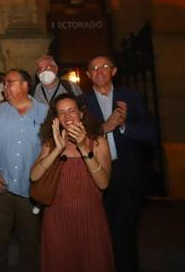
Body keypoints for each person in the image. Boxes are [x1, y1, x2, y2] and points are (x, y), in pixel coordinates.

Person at [83, 55, 156, 272]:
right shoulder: (82, 103)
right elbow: (76, 139)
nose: (100, 71)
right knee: (96, 235)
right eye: (94, 68)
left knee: (126, 236)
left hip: (126, 176)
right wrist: (103, 128)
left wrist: (124, 126)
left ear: (114, 71)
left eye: (104, 66)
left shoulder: (132, 98)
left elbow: (151, 133)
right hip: (94, 176)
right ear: (88, 75)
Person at [30, 93, 114, 272]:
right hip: (56, 220)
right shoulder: (51, 144)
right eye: (61, 113)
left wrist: (84, 147)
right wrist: (57, 150)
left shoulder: (98, 142)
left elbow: (103, 183)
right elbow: (34, 176)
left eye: (71, 111)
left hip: (90, 220)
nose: (67, 117)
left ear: (81, 114)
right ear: (56, 119)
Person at [0, 69, 48, 272]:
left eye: (9, 82)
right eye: (4, 83)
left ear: (25, 85)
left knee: (30, 243)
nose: (5, 87)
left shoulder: (45, 112)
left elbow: (52, 147)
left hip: (31, 190)